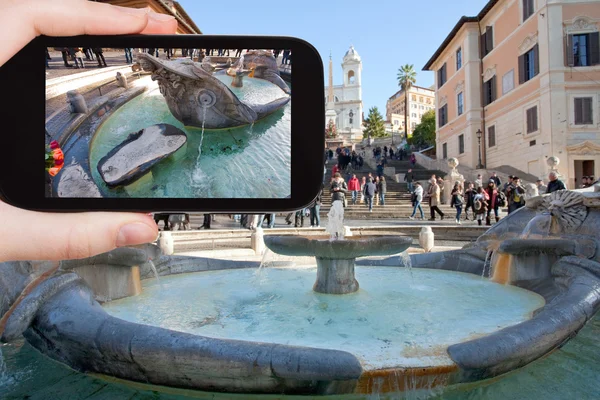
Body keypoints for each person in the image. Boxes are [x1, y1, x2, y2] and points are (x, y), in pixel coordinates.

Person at [0, 0, 178, 263]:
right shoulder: (50, 149)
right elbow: (53, 158)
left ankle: (49, 179)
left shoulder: (49, 149)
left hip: (44, 161)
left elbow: (53, 158)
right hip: (46, 160)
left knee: (52, 169)